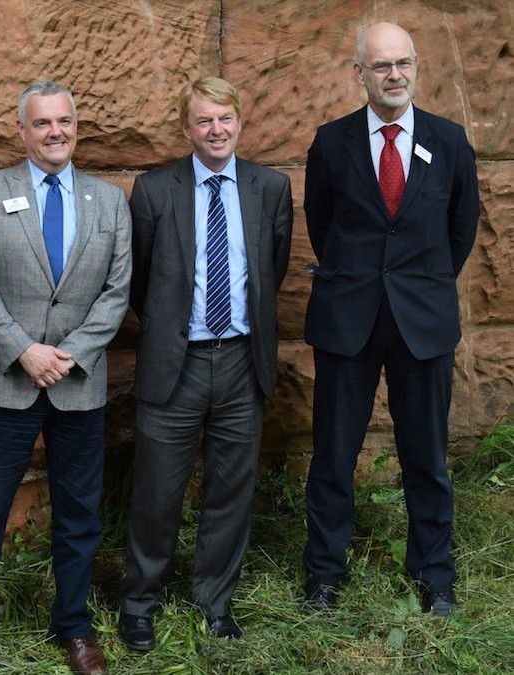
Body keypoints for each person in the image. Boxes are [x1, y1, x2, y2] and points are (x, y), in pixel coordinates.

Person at [0, 81, 131, 675]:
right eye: (42, 123)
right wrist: (25, 352)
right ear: (21, 132)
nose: (55, 133)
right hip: (4, 384)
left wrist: (67, 355)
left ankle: (73, 627)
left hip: (78, 383)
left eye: (64, 122)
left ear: (76, 127)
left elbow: (116, 291)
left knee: (79, 517)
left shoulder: (108, 200)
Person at [302, 22, 479, 616]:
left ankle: (434, 576)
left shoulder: (449, 141)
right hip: (348, 321)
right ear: (360, 74)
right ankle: (324, 576)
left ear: (417, 66)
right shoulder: (331, 142)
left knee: (426, 457)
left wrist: (418, 285)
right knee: (332, 456)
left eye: (403, 63)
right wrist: (361, 280)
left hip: (422, 324)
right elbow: (322, 224)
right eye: (381, 66)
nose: (394, 75)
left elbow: (461, 228)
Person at [118, 76, 293, 650]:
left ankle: (215, 602)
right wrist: (176, 331)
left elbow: (273, 269)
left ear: (239, 121)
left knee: (230, 492)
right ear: (186, 128)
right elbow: (140, 283)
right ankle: (140, 603)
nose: (215, 130)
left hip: (243, 361)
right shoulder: (153, 190)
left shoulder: (270, 188)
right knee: (156, 493)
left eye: (225, 118)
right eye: (203, 121)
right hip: (177, 365)